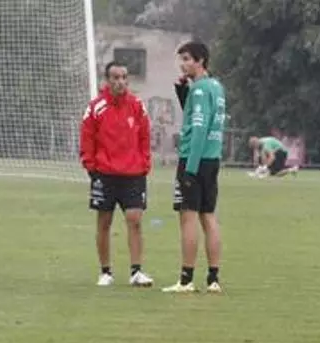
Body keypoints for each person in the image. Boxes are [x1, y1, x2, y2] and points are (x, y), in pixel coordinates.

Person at [79, 61, 154, 287]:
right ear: (107, 80)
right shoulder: (96, 107)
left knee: (135, 220)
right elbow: (87, 137)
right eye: (116, 77)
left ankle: (136, 271)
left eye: (124, 77)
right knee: (104, 222)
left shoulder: (137, 106)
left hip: (133, 173)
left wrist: (144, 163)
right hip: (104, 173)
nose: (121, 82)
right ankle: (105, 272)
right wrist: (91, 166)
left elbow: (145, 136)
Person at [162, 42, 226, 294]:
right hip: (212, 159)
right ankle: (213, 279)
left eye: (187, 59)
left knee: (188, 217)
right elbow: (202, 117)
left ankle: (186, 280)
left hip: (194, 158)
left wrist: (189, 168)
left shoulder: (199, 90)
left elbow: (198, 127)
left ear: (200, 61)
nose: (183, 64)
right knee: (208, 216)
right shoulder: (216, 87)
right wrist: (183, 93)